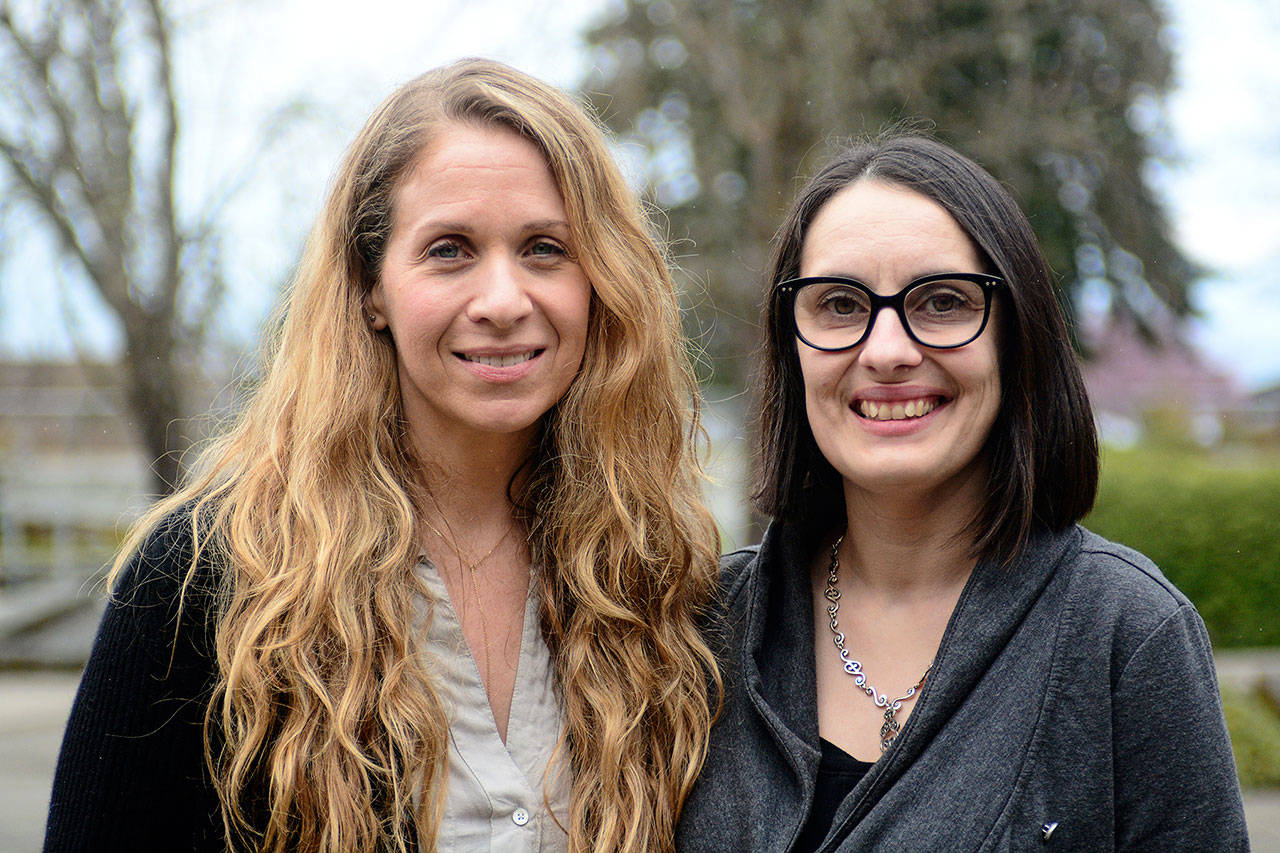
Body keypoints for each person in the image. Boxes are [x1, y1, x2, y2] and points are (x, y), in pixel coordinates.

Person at [44, 59, 721, 853]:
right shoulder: (206, 579)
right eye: (450, 250)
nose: (504, 301)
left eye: (545, 249)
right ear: (372, 288)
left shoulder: (658, 577)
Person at [677, 134, 1248, 851]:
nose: (887, 351)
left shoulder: (1125, 634)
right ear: (791, 347)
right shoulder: (701, 629)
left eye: (943, 301)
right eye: (840, 304)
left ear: (1016, 336)